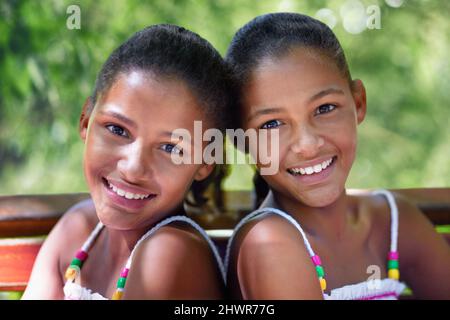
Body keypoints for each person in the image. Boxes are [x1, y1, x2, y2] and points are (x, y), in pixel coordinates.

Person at [224, 12, 450, 300]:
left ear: (358, 103)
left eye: (324, 108)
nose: (307, 145)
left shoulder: (392, 221)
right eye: (271, 124)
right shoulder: (269, 243)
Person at [22, 24, 236, 300]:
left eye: (171, 147)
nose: (133, 168)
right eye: (118, 130)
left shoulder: (169, 252)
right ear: (86, 121)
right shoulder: (78, 229)